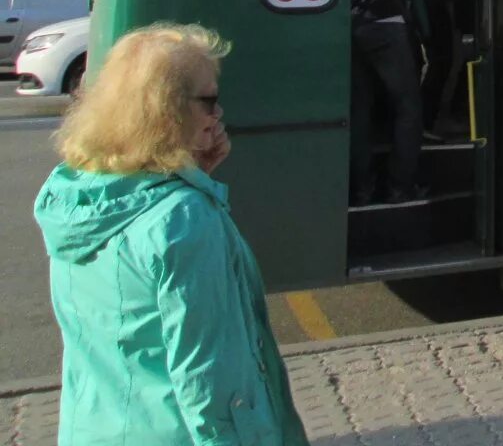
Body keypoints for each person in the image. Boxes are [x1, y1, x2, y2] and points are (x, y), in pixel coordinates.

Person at [33, 24, 308, 446]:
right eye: (209, 101)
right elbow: (210, 383)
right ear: (167, 110)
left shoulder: (73, 195)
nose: (218, 115)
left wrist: (192, 177)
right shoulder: (185, 218)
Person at [350, 0, 425, 204]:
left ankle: (361, 187)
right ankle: (400, 185)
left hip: (351, 25)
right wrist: (423, 25)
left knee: (359, 108)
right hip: (387, 25)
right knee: (408, 106)